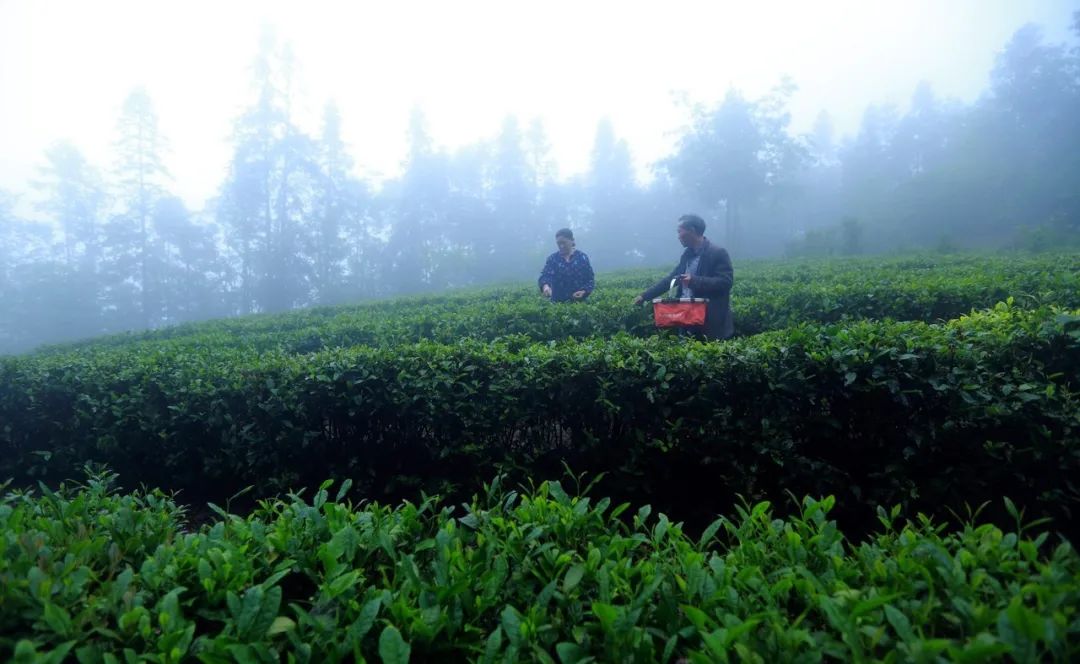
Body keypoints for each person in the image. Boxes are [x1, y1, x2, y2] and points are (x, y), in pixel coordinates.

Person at [633, 214, 734, 339]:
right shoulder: (687, 254)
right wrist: (644, 296)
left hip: (708, 322)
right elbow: (672, 279)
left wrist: (694, 281)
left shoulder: (717, 253)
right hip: (686, 317)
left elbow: (725, 282)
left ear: (692, 230)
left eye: (679, 231)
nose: (678, 236)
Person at [539, 228, 595, 302]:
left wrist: (584, 291)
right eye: (558, 243)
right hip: (557, 305)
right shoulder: (553, 259)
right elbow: (545, 275)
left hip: (580, 304)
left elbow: (590, 279)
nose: (561, 246)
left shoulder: (582, 257)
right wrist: (545, 286)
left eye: (564, 242)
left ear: (572, 240)